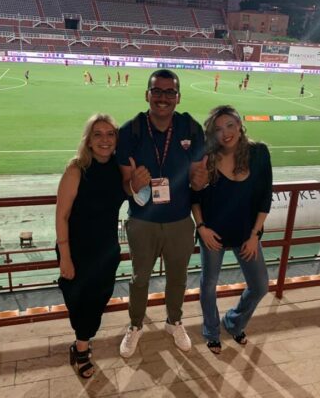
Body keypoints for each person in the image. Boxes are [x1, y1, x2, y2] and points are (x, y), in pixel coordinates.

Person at [116, 69, 208, 358]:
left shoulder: (190, 128)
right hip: (142, 221)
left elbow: (198, 178)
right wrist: (133, 184)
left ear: (178, 97)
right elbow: (125, 184)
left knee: (178, 278)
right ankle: (135, 325)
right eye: (157, 91)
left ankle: (174, 321)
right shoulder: (130, 131)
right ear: (147, 95)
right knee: (139, 278)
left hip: (180, 221)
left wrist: (200, 180)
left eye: (170, 92)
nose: (163, 98)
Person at [192, 105, 272, 354]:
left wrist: (255, 234)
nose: (225, 133)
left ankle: (234, 322)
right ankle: (211, 331)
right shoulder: (206, 157)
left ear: (239, 126)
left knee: (260, 286)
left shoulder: (259, 153)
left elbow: (265, 197)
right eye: (218, 129)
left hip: (246, 234)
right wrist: (201, 228)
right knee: (208, 285)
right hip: (212, 234)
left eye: (229, 125)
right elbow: (193, 197)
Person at [56, 113, 125, 378]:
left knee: (98, 299)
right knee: (78, 300)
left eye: (110, 134)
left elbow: (131, 191)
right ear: (88, 140)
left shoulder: (119, 168)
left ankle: (82, 342)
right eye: (98, 134)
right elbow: (61, 216)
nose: (104, 140)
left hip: (106, 250)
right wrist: (65, 256)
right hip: (77, 250)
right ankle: (81, 346)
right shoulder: (76, 170)